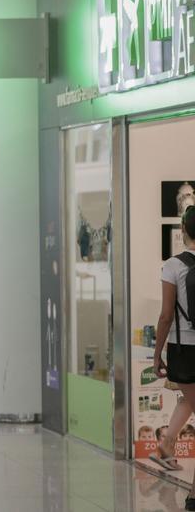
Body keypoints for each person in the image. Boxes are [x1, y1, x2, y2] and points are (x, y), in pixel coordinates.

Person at [152, 206, 195, 506]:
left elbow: (166, 315)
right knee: (190, 401)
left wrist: (157, 354)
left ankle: (166, 448)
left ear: (183, 229)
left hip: (184, 350)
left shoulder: (173, 265)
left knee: (189, 399)